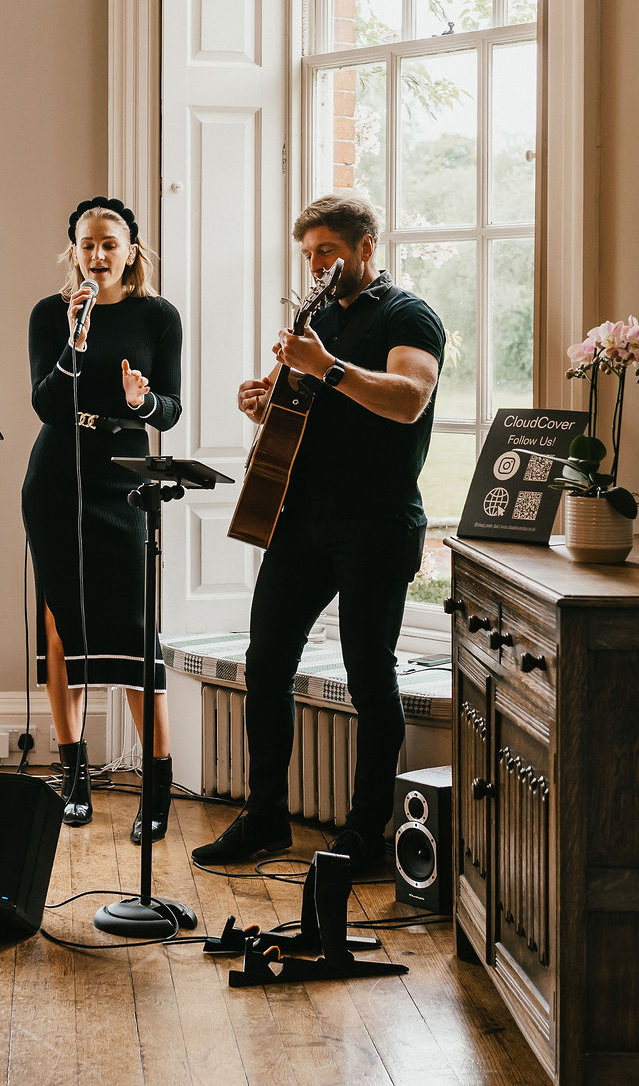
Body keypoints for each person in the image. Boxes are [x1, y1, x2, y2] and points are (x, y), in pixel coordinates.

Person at [192, 193, 444, 873]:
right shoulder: (317, 318)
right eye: (308, 255)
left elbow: (409, 397)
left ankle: (366, 836)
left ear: (366, 247)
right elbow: (298, 407)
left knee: (370, 675)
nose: (317, 266)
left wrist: (325, 365)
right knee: (265, 663)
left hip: (377, 523)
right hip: (300, 519)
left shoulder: (408, 314)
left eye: (327, 251)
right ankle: (266, 816)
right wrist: (261, 399)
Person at [21, 196, 183, 840]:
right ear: (74, 251)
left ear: (131, 251)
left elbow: (170, 410)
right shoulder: (50, 315)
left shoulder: (159, 316)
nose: (97, 256)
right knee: (65, 628)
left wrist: (146, 403)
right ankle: (74, 775)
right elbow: (46, 405)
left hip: (125, 482)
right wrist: (75, 343)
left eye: (109, 244)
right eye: (86, 245)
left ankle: (156, 786)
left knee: (136, 635)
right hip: (58, 479)